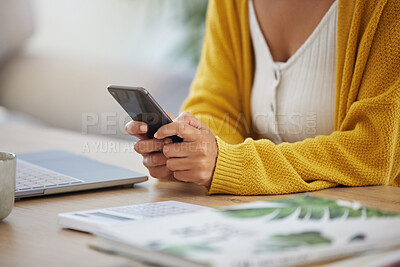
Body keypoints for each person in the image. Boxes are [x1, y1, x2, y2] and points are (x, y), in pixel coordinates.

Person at [126, 0, 400, 195]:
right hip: (266, 218)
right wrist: (192, 147)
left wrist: (229, 163)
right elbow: (217, 105)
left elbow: (375, 151)